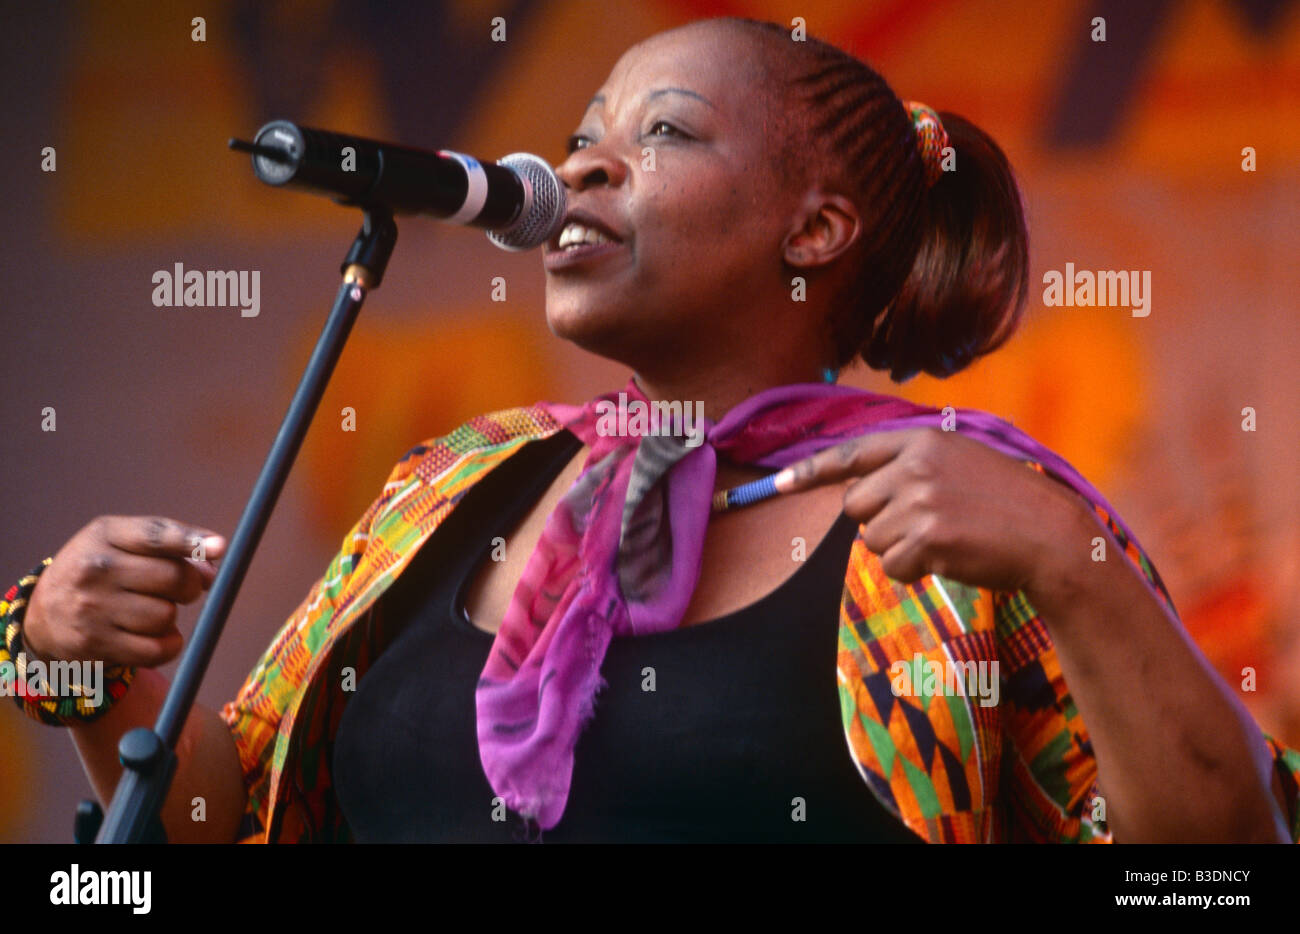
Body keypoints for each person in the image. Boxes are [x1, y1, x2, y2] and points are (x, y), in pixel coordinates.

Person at [5, 16, 1298, 844]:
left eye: (662, 134)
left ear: (817, 229)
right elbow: (216, 823)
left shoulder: (968, 517)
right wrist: (72, 666)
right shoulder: (452, 487)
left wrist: (1073, 563)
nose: (581, 170)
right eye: (580, 140)